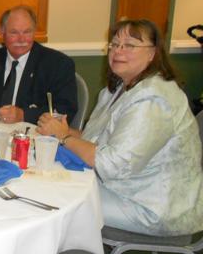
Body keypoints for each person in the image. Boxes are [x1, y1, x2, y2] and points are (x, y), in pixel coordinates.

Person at [37, 19, 203, 236]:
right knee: (47, 182)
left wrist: (64, 137)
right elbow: (95, 140)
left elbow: (113, 165)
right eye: (114, 44)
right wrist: (65, 131)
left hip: (152, 205)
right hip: (125, 187)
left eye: (130, 45)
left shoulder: (154, 99)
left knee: (56, 198)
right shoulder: (119, 89)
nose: (118, 51)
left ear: (153, 53)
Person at [0, 6, 78, 124]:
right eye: (14, 32)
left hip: (35, 136)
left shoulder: (58, 64)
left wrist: (23, 115)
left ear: (35, 31)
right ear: (2, 32)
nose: (21, 39)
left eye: (27, 32)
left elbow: (65, 110)